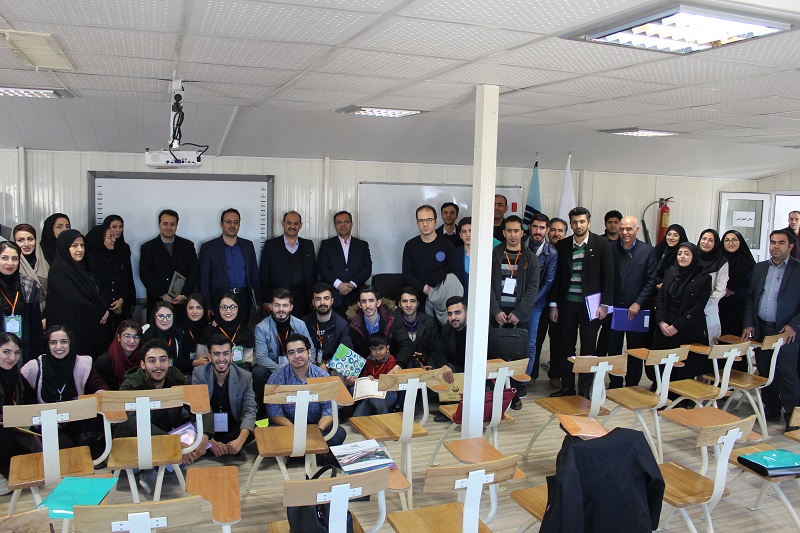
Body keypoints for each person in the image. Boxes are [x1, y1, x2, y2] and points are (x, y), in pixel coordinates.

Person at [117, 339, 207, 494]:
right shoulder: (130, 385)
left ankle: (155, 470)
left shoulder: (176, 377)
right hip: (138, 438)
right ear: (143, 364)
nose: (158, 365)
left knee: (195, 436)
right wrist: (173, 444)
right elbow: (136, 424)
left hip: (165, 431)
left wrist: (206, 436)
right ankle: (158, 467)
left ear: (169, 362)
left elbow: (200, 403)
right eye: (152, 361)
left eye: (163, 360)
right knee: (136, 462)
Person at [549, 207, 614, 397]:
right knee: (566, 347)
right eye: (575, 222)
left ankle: (585, 391)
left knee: (588, 349)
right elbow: (556, 278)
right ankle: (567, 387)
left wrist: (605, 305)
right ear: (570, 224)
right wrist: (553, 304)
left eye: (582, 221)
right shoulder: (563, 245)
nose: (579, 225)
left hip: (591, 306)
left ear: (589, 223)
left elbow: (609, 277)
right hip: (567, 305)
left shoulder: (601, 244)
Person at [742, 229, 800, 431]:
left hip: (786, 332)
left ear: (790, 246)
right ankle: (772, 409)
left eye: (781, 243)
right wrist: (749, 323)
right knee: (766, 371)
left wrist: (794, 324)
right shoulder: (760, 268)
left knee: (787, 373)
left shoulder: (797, 269)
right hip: (763, 329)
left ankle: (793, 417)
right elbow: (751, 297)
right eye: (773, 242)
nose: (776, 246)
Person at [21, 325, 107, 447]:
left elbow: (100, 386)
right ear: (47, 344)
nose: (59, 347)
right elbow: (25, 400)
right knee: (62, 444)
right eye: (53, 342)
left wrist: (100, 394)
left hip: (75, 421)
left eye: (63, 342)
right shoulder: (34, 367)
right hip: (46, 424)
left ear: (70, 343)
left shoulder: (82, 364)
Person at [490, 215, 539, 402]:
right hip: (497, 313)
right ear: (503, 232)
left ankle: (517, 390)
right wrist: (495, 311)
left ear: (522, 233)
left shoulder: (530, 258)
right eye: (509, 231)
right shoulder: (494, 254)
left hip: (520, 315)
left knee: (519, 355)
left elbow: (533, 288)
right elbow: (487, 285)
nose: (512, 235)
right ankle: (498, 392)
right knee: (497, 354)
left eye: (516, 231)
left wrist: (519, 312)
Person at [266, 334, 346, 447]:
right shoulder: (276, 378)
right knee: (272, 434)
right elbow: (274, 414)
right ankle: (314, 451)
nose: (296, 356)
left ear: (309, 353)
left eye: (300, 351)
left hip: (316, 424)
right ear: (287, 356)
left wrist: (319, 429)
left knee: (338, 433)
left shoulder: (322, 376)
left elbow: (329, 410)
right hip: (288, 425)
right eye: (291, 353)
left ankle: (308, 453)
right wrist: (296, 431)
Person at [607, 216, 657, 388]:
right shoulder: (611, 248)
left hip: (637, 309)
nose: (624, 232)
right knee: (613, 348)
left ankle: (632, 384)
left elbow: (651, 281)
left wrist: (638, 302)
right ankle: (615, 382)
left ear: (637, 230)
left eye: (629, 229)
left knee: (635, 349)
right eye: (622, 228)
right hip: (615, 308)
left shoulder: (648, 251)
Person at [652, 243, 712, 380]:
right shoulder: (670, 272)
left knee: (682, 370)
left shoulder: (703, 278)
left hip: (686, 329)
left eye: (686, 254)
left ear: (694, 256)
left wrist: (677, 326)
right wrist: (661, 322)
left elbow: (697, 308)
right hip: (665, 328)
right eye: (679, 254)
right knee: (661, 367)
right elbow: (660, 298)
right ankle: (660, 388)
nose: (682, 257)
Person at [46, 230, 109, 359]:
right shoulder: (58, 270)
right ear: (64, 247)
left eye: (82, 245)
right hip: (71, 329)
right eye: (74, 246)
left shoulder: (82, 268)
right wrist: (100, 309)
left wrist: (105, 308)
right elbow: (74, 298)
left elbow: (95, 294)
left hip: (87, 327)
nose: (80, 249)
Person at [253, 289, 316, 415]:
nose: (281, 309)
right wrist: (283, 371)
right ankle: (264, 410)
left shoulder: (300, 324)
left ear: (291, 307)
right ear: (271, 307)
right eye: (277, 305)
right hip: (273, 368)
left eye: (285, 305)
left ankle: (308, 411)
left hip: (297, 365)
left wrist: (300, 367)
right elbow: (261, 357)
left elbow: (312, 351)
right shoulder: (261, 327)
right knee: (258, 372)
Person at [193, 334, 257, 456]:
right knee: (193, 428)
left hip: (232, 426)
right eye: (216, 354)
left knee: (251, 429)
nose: (221, 359)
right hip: (209, 429)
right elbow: (197, 409)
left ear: (231, 356)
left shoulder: (245, 376)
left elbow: (250, 410)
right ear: (209, 357)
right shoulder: (199, 373)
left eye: (225, 354)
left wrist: (240, 440)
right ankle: (216, 446)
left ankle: (229, 446)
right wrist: (210, 441)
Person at [198, 208, 261, 326]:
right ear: (221, 224)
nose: (232, 225)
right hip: (219, 299)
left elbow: (254, 274)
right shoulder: (208, 247)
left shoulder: (248, 245)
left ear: (239, 224)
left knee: (242, 331)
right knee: (220, 334)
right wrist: (207, 305)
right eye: (228, 221)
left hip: (243, 299)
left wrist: (258, 300)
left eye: (236, 222)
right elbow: (204, 280)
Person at [139, 209, 199, 321]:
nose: (169, 227)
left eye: (172, 224)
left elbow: (194, 272)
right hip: (157, 303)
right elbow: (145, 275)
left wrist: (184, 295)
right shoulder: (147, 248)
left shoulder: (187, 246)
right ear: (159, 225)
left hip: (182, 303)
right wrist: (162, 294)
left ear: (176, 226)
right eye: (165, 224)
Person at [402, 204, 462, 308]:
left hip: (442, 299)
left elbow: (456, 272)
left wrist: (440, 290)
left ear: (436, 221)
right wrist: (423, 288)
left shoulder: (447, 245)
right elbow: (407, 273)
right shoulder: (410, 245)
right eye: (421, 220)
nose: (425, 224)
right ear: (417, 223)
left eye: (429, 220)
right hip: (417, 298)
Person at [85, 223, 136, 346]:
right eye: (110, 237)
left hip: (117, 313)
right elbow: (93, 288)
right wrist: (108, 306)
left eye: (114, 236)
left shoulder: (113, 258)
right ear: (99, 239)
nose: (114, 240)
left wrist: (121, 300)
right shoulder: (89, 261)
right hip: (100, 314)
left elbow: (122, 283)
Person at [260, 211, 317, 318]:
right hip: (278, 301)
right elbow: (264, 274)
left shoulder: (308, 245)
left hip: (303, 301)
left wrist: (315, 297)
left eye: (296, 223)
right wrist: (266, 300)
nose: (292, 226)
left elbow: (313, 274)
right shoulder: (271, 245)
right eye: (289, 223)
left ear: (300, 225)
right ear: (283, 223)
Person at [317, 211, 372, 315]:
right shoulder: (326, 244)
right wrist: (339, 285)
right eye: (339, 222)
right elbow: (323, 268)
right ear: (335, 225)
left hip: (356, 297)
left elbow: (367, 269)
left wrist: (351, 285)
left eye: (346, 222)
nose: (342, 225)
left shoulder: (362, 245)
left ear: (351, 224)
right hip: (334, 297)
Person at [0, 333, 35, 495]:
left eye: (17, 352)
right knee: (6, 436)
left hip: (11, 424)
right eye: (6, 352)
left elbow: (28, 398)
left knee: (30, 443)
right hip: (4, 427)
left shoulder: (16, 374)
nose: (12, 358)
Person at [349, 286, 414, 369]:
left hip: (391, 364)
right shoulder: (354, 325)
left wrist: (398, 367)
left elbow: (407, 345)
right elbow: (351, 352)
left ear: (378, 303)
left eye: (371, 300)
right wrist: (360, 373)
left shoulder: (392, 319)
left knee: (410, 363)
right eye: (364, 301)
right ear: (359, 304)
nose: (367, 305)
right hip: (368, 368)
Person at [526, 213, 558, 383]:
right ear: (529, 227)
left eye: (542, 228)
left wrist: (530, 302)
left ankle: (527, 376)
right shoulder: (520, 245)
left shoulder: (551, 253)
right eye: (535, 227)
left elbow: (548, 282)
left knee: (531, 342)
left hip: (535, 305)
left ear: (547, 230)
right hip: (515, 304)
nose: (538, 231)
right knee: (514, 341)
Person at [536, 217, 567, 389]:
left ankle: (556, 374)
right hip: (540, 301)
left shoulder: (568, 251)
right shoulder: (542, 250)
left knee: (558, 341)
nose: (557, 234)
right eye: (553, 230)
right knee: (536, 338)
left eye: (560, 230)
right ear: (548, 231)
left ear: (565, 233)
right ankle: (532, 374)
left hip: (561, 304)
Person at [0, 241, 43, 363]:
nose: (10, 263)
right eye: (4, 258)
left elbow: (36, 326)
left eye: (14, 258)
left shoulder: (28, 285)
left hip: (24, 349)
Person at [300, 283, 353, 370]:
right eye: (318, 299)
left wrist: (328, 365)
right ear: (313, 302)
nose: (322, 302)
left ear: (332, 301)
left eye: (326, 298)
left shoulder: (342, 324)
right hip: (308, 365)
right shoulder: (303, 323)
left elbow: (346, 352)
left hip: (331, 366)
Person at [197, 292, 255, 371]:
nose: (228, 311)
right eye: (224, 307)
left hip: (239, 373)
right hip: (212, 373)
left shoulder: (245, 333)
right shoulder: (208, 331)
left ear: (238, 309)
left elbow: (247, 363)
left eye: (233, 307)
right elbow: (201, 361)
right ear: (218, 309)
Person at [141, 303, 192, 380]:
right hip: (152, 377)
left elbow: (181, 362)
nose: (165, 320)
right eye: (161, 316)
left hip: (175, 375)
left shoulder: (178, 334)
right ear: (154, 317)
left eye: (169, 316)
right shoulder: (146, 335)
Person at [719, 230, 756, 337]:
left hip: (739, 307)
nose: (730, 243)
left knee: (734, 340)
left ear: (740, 242)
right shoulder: (718, 260)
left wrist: (733, 292)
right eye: (727, 240)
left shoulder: (748, 262)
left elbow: (752, 289)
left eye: (734, 240)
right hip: (718, 306)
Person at [351, 333, 397, 417]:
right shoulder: (369, 360)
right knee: (357, 417)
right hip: (371, 394)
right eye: (374, 349)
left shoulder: (391, 359)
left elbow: (390, 381)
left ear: (387, 348)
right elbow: (365, 375)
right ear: (370, 349)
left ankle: (384, 416)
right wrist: (367, 378)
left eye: (381, 348)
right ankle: (377, 410)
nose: (378, 352)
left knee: (374, 397)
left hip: (388, 393)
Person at [697, 229, 729, 345]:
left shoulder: (722, 262)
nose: (706, 242)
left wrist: (703, 305)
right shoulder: (693, 257)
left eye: (711, 240)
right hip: (689, 308)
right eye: (704, 239)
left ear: (716, 244)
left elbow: (720, 289)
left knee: (708, 345)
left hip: (708, 309)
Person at [396, 286, 439, 369]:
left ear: (418, 303)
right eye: (404, 301)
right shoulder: (393, 322)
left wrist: (429, 366)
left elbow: (435, 350)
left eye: (412, 301)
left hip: (425, 368)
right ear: (399, 304)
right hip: (400, 368)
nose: (409, 305)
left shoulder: (430, 322)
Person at [93, 320, 143, 391]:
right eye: (127, 336)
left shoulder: (141, 358)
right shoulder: (104, 361)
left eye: (136, 336)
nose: (132, 341)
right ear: (119, 337)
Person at [102, 215, 134, 315]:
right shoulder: (100, 250)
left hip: (123, 295)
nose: (118, 230)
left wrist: (129, 298)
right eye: (114, 226)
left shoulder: (124, 248)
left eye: (120, 227)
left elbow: (128, 274)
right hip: (107, 298)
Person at [13, 224, 49, 311]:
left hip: (47, 315)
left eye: (30, 239)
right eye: (21, 240)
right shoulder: (11, 267)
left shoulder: (45, 264)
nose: (26, 244)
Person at [183, 292, 209, 364]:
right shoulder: (180, 330)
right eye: (190, 308)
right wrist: (194, 362)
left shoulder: (210, 328)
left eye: (198, 308)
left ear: (204, 309)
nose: (194, 312)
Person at [455, 217, 472, 294]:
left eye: (470, 231)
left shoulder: (485, 254)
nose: (468, 235)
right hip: (460, 297)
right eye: (464, 232)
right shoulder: (455, 254)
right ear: (460, 235)